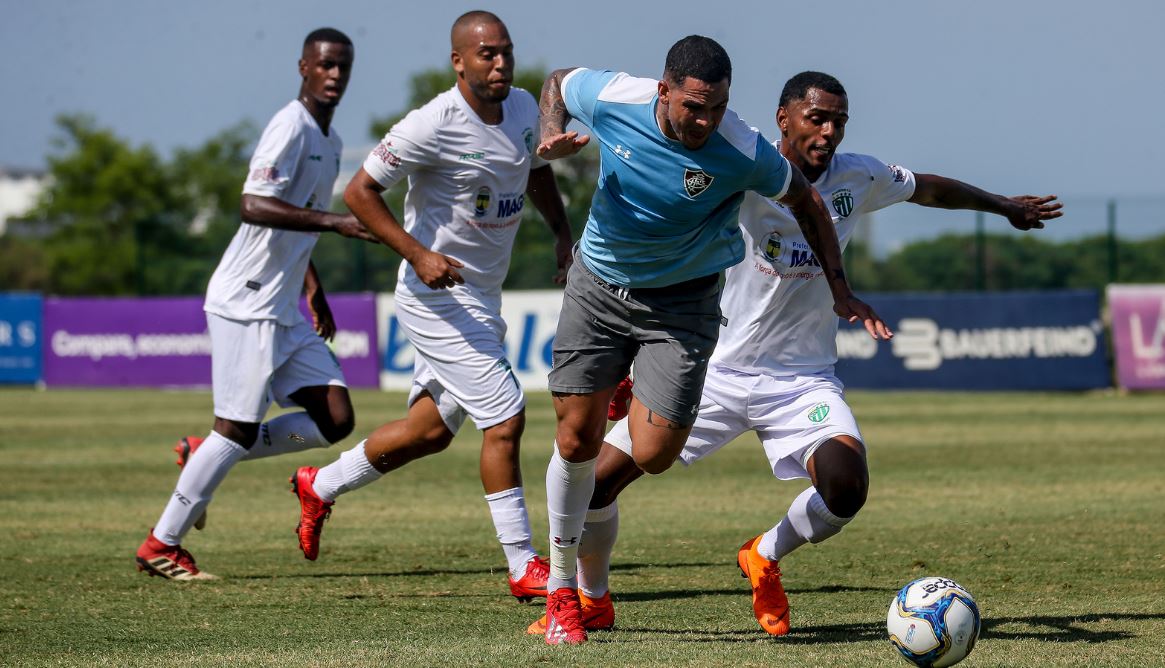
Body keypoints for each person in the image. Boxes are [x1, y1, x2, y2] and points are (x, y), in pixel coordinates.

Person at [529, 70, 1063, 637]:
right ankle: (593, 597)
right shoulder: (743, 162)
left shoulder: (859, 176)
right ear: (783, 119)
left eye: (839, 122)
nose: (829, 132)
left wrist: (1003, 205)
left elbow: (929, 188)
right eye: (817, 118)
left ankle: (764, 553)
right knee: (597, 483)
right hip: (714, 368)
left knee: (846, 486)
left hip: (800, 379)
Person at [533, 41, 891, 644]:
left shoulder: (742, 149)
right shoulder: (615, 96)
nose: (705, 122)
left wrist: (840, 288)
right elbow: (557, 80)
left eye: (718, 108)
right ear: (663, 91)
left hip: (683, 308)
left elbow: (806, 201)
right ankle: (568, 595)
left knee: (654, 455)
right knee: (575, 441)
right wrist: (550, 130)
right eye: (694, 107)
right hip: (597, 286)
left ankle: (640, 393)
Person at [287, 11, 573, 603]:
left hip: (482, 295)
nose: (500, 63)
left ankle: (320, 485)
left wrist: (562, 235)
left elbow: (536, 171)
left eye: (507, 52)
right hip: (435, 298)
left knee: (428, 433)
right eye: (487, 54)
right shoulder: (432, 123)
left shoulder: (524, 109)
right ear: (459, 62)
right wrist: (418, 254)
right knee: (506, 418)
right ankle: (522, 564)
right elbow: (359, 193)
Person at [135, 28, 378, 580]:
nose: (335, 74)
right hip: (246, 302)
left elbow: (293, 221)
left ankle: (203, 452)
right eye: (325, 64)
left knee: (335, 418)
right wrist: (336, 222)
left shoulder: (331, 140)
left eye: (343, 66)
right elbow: (253, 204)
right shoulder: (289, 126)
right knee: (235, 428)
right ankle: (161, 544)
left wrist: (312, 284)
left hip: (283, 307)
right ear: (303, 67)